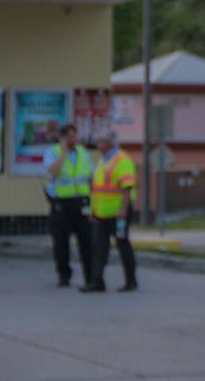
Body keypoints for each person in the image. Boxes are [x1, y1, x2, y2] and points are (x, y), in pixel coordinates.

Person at [82, 129, 138, 293]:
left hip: (118, 213)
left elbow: (127, 187)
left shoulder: (122, 160)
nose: (98, 145)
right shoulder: (103, 161)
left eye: (100, 141)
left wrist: (123, 209)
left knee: (123, 245)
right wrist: (93, 210)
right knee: (99, 248)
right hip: (101, 213)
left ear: (109, 143)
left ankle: (131, 280)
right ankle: (97, 281)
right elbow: (97, 189)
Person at [44, 123, 94, 288]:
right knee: (61, 242)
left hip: (81, 202)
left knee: (87, 241)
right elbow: (53, 171)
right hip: (61, 203)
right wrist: (64, 153)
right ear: (63, 138)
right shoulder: (53, 152)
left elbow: (91, 176)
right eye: (70, 136)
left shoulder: (83, 153)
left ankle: (91, 276)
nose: (74, 139)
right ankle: (64, 275)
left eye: (75, 135)